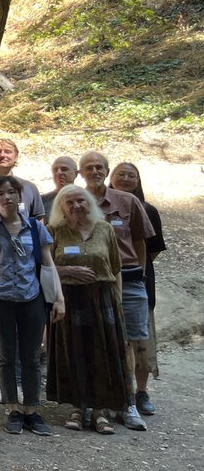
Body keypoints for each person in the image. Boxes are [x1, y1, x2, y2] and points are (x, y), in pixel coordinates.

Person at [46, 186, 134, 434]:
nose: (76, 206)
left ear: (89, 203)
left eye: (81, 201)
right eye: (69, 202)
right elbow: (43, 267)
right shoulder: (54, 231)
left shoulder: (105, 229)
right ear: (61, 207)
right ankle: (77, 408)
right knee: (73, 353)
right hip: (68, 300)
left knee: (103, 353)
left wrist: (118, 302)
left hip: (102, 299)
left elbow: (115, 269)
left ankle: (99, 411)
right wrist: (68, 271)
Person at [0, 175, 65, 437]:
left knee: (31, 356)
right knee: (6, 355)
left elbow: (48, 263)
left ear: (20, 196)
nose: (7, 197)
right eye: (0, 194)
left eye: (11, 192)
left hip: (32, 297)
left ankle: (31, 410)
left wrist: (58, 298)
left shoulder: (35, 227)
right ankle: (13, 409)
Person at [0, 138, 46, 406]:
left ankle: (23, 388)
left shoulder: (29, 188)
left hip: (26, 278)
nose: (3, 155)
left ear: (16, 156)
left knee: (27, 340)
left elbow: (39, 224)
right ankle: (1, 384)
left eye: (8, 151)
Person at [81, 151, 152, 430]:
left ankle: (128, 401)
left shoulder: (128, 201)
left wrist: (138, 275)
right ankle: (95, 402)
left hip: (130, 281)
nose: (94, 171)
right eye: (89, 167)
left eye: (99, 167)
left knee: (130, 343)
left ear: (106, 171)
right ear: (81, 172)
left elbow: (140, 241)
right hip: (91, 282)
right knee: (94, 342)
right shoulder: (76, 200)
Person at [108, 162, 165, 416]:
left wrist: (136, 271)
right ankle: (118, 391)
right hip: (109, 279)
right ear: (111, 178)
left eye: (131, 175)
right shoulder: (101, 207)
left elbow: (152, 248)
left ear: (138, 180)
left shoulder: (148, 209)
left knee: (141, 340)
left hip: (138, 280)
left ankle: (141, 392)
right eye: (120, 174)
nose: (126, 178)